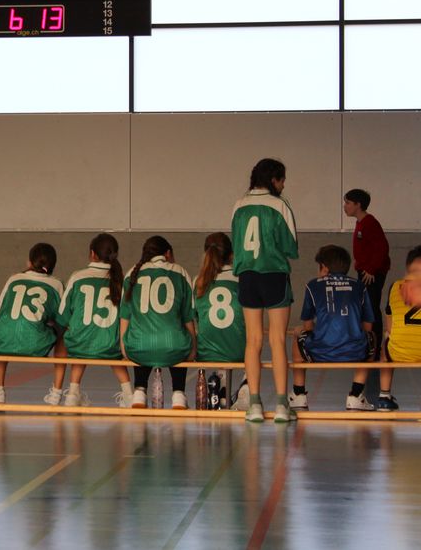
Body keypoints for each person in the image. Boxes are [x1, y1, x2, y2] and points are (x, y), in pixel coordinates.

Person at [231, 158, 299, 423]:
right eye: (282, 180)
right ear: (274, 180)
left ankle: (254, 404)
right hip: (274, 275)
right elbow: (291, 246)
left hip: (247, 276)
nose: (284, 185)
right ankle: (282, 405)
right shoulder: (280, 205)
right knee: (278, 339)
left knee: (253, 340)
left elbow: (236, 243)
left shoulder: (239, 205)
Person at [289, 245, 374, 411]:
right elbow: (368, 326)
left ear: (324, 267)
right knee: (372, 338)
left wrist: (321, 330)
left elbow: (308, 326)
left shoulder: (313, 285)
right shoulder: (359, 286)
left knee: (298, 334)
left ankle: (298, 394)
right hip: (354, 352)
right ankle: (356, 395)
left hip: (320, 353)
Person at [119, 236, 197, 410]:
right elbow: (188, 318)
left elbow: (125, 317)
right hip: (174, 348)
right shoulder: (180, 272)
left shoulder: (132, 273)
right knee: (175, 338)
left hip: (138, 349)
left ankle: (139, 391)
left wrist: (124, 347)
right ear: (168, 253)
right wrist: (192, 349)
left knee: (143, 337)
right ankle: (178, 393)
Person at [57, 233, 133, 407]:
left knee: (79, 346)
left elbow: (63, 314)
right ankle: (129, 394)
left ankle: (73, 393)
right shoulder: (121, 280)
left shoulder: (78, 276)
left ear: (92, 253)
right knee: (114, 352)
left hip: (80, 343)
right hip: (111, 345)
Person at [0, 243, 64, 405]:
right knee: (63, 334)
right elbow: (61, 317)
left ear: (29, 262)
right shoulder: (56, 284)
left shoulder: (14, 279)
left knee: (4, 329)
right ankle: (56, 393)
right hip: (35, 345)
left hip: (3, 343)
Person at [192, 232, 249, 409]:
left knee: (211, 333)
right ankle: (247, 384)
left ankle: (222, 387)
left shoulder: (198, 282)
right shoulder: (242, 278)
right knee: (253, 336)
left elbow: (197, 320)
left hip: (206, 353)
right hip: (239, 352)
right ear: (231, 255)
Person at [343, 188, 390, 360]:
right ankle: (368, 344)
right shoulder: (360, 223)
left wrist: (371, 269)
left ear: (358, 205)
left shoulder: (370, 223)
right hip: (364, 271)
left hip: (371, 274)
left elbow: (382, 248)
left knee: (371, 310)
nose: (345, 206)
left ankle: (375, 349)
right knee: (365, 308)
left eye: (348, 203)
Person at [376, 246, 421, 411]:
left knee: (386, 346)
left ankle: (384, 396)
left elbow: (390, 326)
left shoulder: (396, 287)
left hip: (399, 352)